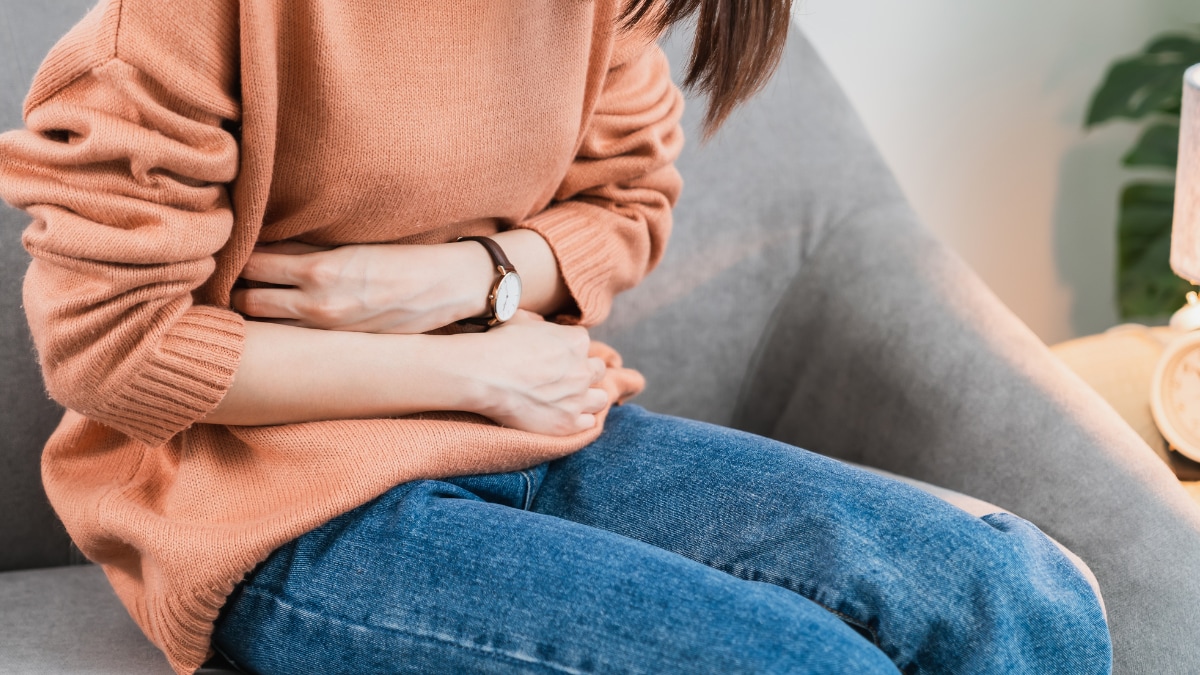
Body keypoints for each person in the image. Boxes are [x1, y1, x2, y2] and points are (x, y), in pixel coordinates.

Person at [0, 0, 1111, 673]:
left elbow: (627, 202)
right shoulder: (191, 18)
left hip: (526, 427)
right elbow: (114, 349)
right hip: (264, 508)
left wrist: (465, 277)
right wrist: (460, 363)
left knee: (1014, 595)